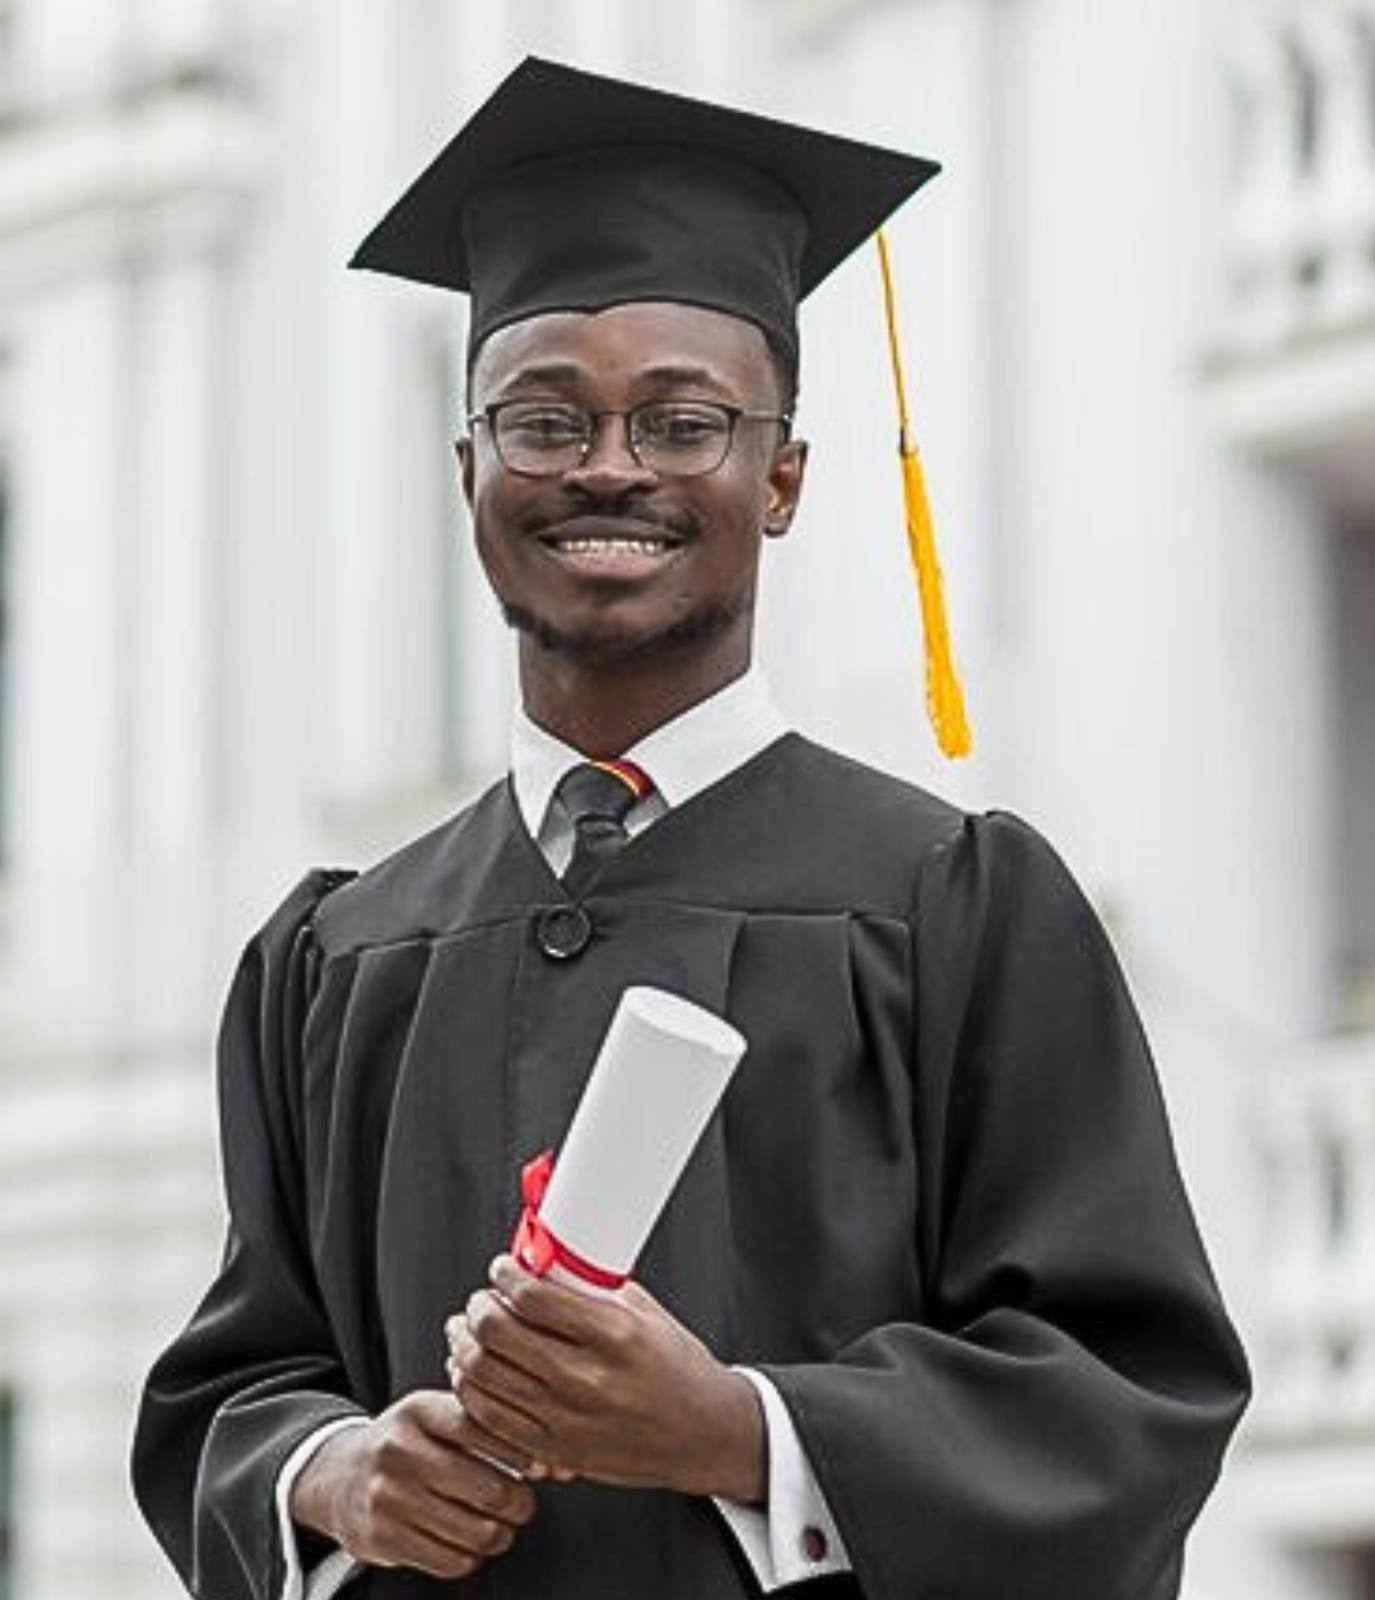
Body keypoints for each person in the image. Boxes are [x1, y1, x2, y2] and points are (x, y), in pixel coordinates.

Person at [131, 55, 1249, 1600]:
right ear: (467, 472)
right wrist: (333, 1476)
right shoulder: (338, 952)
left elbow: (1129, 1401)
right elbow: (231, 1387)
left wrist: (742, 1433)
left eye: (681, 422)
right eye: (540, 421)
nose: (606, 466)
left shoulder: (954, 906)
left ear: (780, 477)